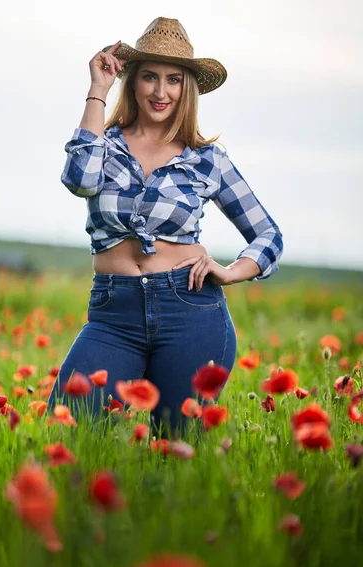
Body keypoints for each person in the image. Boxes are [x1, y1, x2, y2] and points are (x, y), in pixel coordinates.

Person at [48, 16, 283, 435]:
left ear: (186, 88)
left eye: (173, 80)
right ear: (133, 81)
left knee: (176, 448)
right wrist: (98, 89)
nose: (160, 92)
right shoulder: (104, 143)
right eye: (150, 78)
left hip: (191, 311)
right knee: (68, 429)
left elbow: (268, 236)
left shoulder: (207, 159)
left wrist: (229, 272)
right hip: (113, 314)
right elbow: (79, 180)